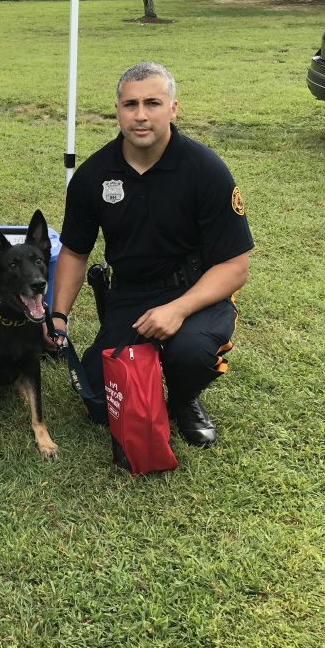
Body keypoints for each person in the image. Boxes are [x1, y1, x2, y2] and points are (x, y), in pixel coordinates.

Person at [50, 61, 253, 448]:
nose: (140, 116)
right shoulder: (93, 175)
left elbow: (235, 266)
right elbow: (75, 252)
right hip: (132, 292)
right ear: (117, 109)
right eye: (130, 105)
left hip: (195, 290)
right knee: (96, 397)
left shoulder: (205, 169)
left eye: (153, 103)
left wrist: (177, 309)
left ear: (173, 109)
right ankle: (143, 370)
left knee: (190, 352)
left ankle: (183, 398)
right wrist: (59, 318)